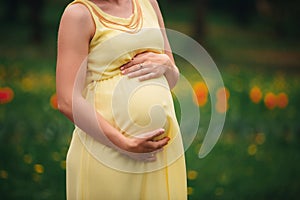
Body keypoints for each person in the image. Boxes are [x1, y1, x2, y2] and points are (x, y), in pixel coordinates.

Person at [56, 0, 187, 199]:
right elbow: (67, 100)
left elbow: (172, 79)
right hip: (109, 151)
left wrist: (168, 66)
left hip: (160, 154)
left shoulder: (149, 3)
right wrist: (124, 144)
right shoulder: (79, 14)